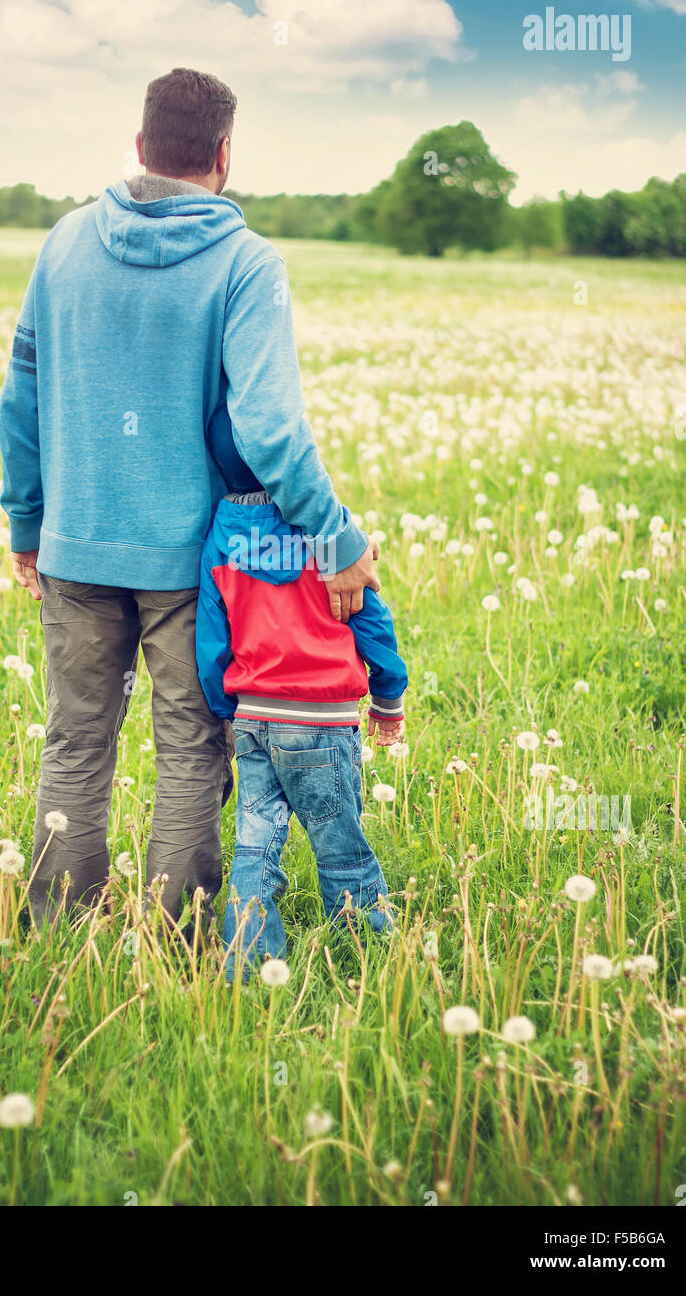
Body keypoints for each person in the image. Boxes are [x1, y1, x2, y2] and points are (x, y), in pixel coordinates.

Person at [0, 67, 380, 929]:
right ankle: (178, 939)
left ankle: (57, 929)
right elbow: (272, 430)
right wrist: (336, 534)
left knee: (75, 742)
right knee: (191, 754)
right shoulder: (247, 264)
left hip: (76, 548)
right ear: (224, 155)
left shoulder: (63, 242)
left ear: (139, 147)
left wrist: (28, 522)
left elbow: (19, 400)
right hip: (189, 565)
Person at [196, 408, 408, 977]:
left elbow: (212, 636)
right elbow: (374, 624)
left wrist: (224, 707)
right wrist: (388, 697)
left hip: (254, 720)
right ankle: (366, 951)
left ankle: (245, 960)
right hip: (323, 720)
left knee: (255, 847)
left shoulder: (219, 538)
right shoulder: (329, 530)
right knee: (339, 840)